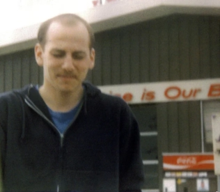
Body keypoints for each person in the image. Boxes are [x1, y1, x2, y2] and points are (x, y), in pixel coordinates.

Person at [0, 13, 144, 192]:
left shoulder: (116, 115)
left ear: (91, 58)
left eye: (78, 56)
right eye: (58, 54)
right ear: (39, 54)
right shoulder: (7, 112)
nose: (68, 65)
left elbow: (131, 187)